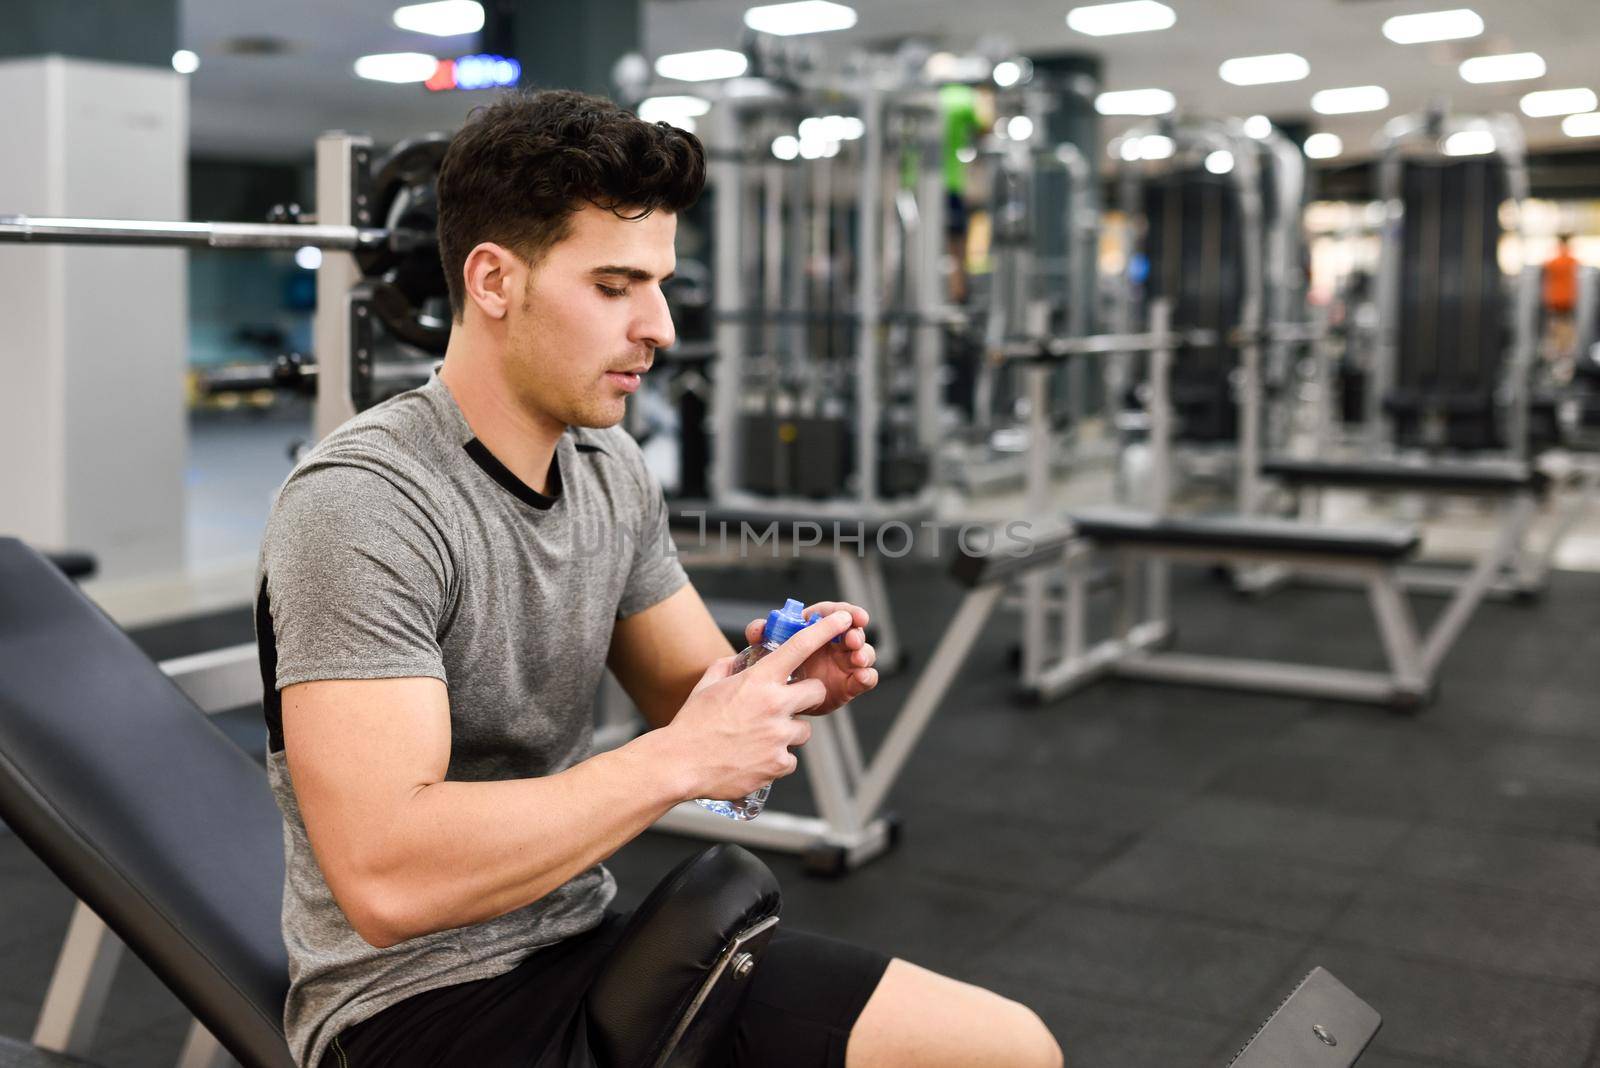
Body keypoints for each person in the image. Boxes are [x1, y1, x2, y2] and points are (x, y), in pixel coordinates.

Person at [255, 89, 1062, 1068]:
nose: (660, 326)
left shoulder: (607, 465)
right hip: (417, 1009)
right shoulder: (365, 503)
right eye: (614, 286)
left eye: (660, 284)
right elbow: (386, 881)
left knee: (1006, 1048)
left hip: (580, 934)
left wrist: (781, 676)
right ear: (494, 280)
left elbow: (689, 691)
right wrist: (682, 761)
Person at [1543, 233, 1580, 375]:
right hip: (1568, 300)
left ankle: (1559, 352)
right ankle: (1564, 352)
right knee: (1566, 326)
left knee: (1557, 327)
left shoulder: (1554, 261)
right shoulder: (1572, 260)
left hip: (1556, 300)